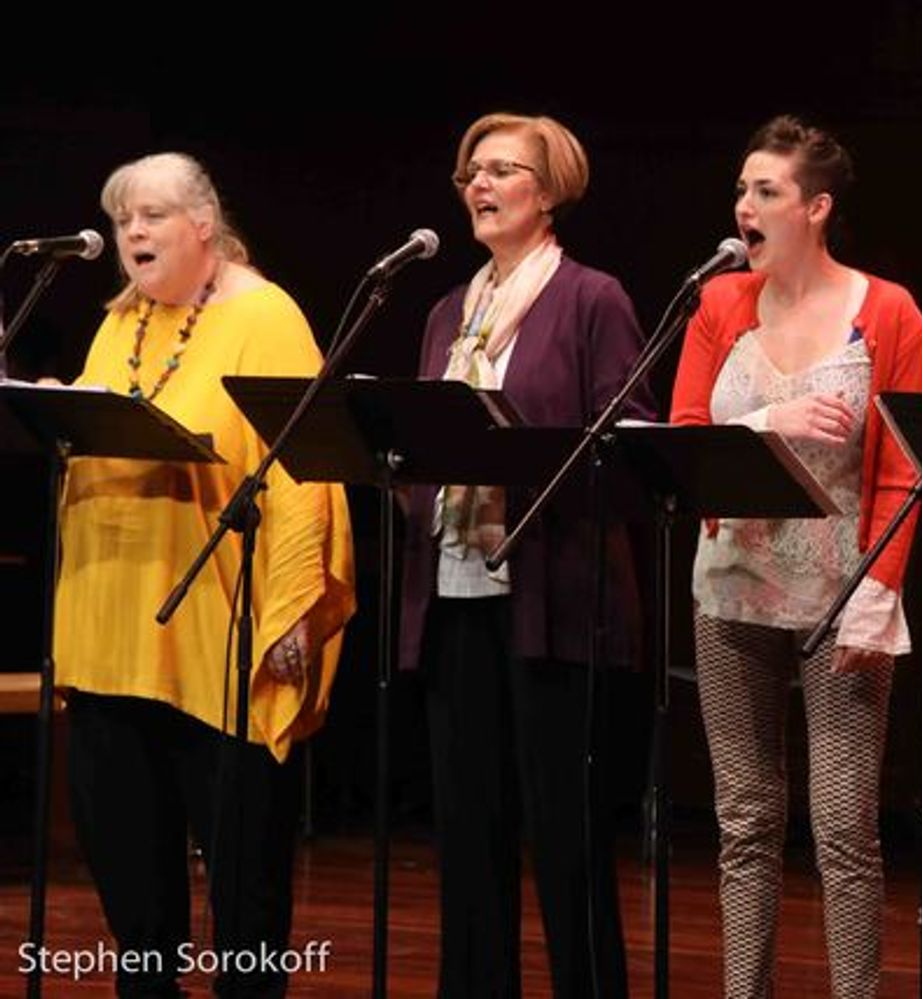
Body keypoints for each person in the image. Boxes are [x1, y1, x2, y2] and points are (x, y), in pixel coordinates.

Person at [53, 152, 356, 997]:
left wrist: (294, 610)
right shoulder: (123, 320)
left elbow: (303, 470)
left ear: (205, 225)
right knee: (129, 873)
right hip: (114, 625)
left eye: (151, 215)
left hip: (214, 630)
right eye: (122, 221)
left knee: (243, 884)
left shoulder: (267, 316)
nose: (133, 233)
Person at [670, 114, 922, 998]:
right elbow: (685, 440)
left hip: (841, 591)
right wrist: (766, 423)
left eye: (765, 191)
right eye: (742, 189)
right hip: (731, 587)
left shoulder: (886, 311)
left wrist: (878, 593)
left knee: (843, 825)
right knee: (744, 819)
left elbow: (902, 471)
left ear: (815, 208)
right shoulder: (718, 303)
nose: (744, 205)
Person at [397, 112, 651, 998]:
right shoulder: (444, 311)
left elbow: (629, 441)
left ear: (548, 194)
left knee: (564, 831)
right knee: (469, 827)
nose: (480, 184)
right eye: (472, 169)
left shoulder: (591, 298)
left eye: (503, 169)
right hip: (454, 591)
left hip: (554, 598)